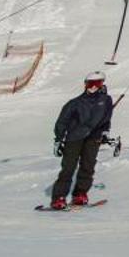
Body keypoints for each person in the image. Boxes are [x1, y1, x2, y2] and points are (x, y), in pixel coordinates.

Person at [50, 71, 113, 209]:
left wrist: (105, 132)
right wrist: (59, 139)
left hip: (93, 138)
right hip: (74, 138)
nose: (93, 87)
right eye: (90, 83)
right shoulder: (75, 103)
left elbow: (106, 119)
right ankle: (59, 197)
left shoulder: (106, 100)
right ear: (85, 85)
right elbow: (62, 121)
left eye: (97, 83)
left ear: (102, 84)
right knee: (68, 168)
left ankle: (80, 194)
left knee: (88, 167)